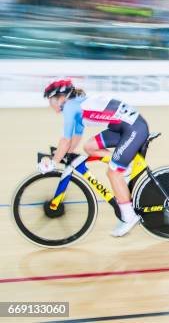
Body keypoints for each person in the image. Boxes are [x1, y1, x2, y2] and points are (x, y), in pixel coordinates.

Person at [38, 78, 150, 237]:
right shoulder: (75, 104)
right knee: (89, 146)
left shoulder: (70, 107)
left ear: (61, 98)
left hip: (133, 128)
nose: (51, 105)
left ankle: (129, 217)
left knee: (113, 173)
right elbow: (75, 138)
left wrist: (53, 162)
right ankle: (124, 165)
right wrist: (59, 155)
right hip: (125, 127)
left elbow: (65, 140)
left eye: (51, 101)